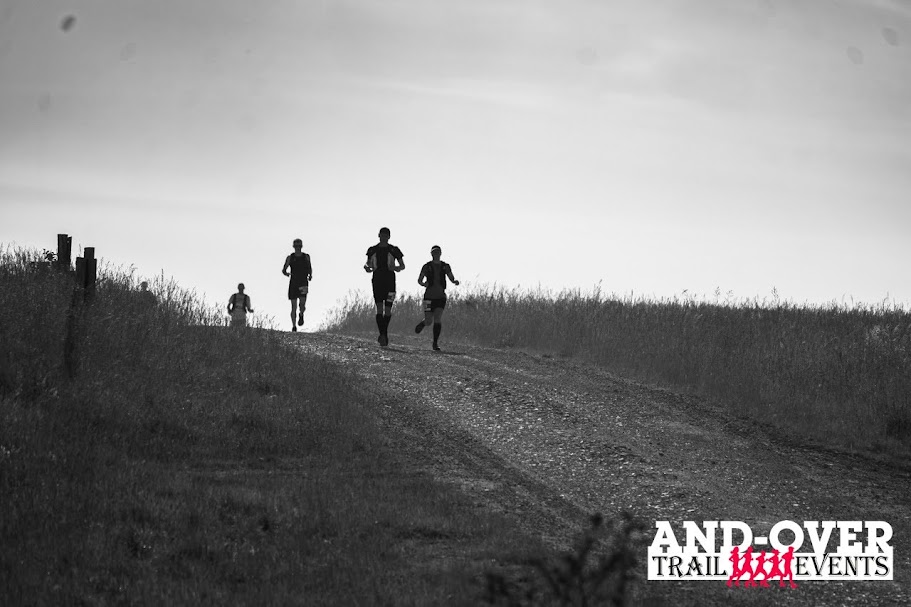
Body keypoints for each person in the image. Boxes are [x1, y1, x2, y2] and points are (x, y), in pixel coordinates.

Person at [364, 227, 405, 347]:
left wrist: (396, 268)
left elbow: (402, 266)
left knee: (388, 309)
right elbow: (368, 263)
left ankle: (383, 334)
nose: (384, 237)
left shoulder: (394, 249)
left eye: (386, 235)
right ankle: (384, 335)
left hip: (390, 281)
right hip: (377, 280)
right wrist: (367, 267)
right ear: (379, 235)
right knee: (379, 308)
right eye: (382, 235)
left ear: (389, 237)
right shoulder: (372, 250)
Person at [414, 245, 459, 351]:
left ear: (440, 253)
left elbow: (451, 276)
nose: (436, 254)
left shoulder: (445, 266)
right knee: (429, 321)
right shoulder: (426, 266)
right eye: (434, 252)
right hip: (428, 297)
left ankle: (435, 343)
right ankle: (423, 323)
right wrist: (424, 284)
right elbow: (419, 280)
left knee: (438, 318)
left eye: (438, 252)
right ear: (431, 254)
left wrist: (454, 281)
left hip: (440, 297)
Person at [282, 238, 312, 332]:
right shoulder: (290, 257)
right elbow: (284, 269)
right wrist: (286, 274)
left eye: (299, 246)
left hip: (303, 282)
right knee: (293, 306)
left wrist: (310, 275)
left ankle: (301, 314)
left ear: (301, 247)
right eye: (296, 246)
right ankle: (294, 326)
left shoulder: (306, 256)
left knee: (302, 304)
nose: (298, 248)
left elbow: (310, 267)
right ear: (294, 247)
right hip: (294, 283)